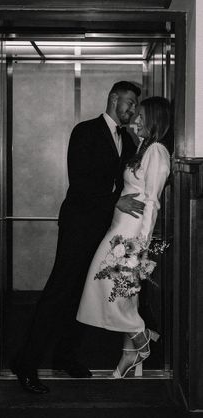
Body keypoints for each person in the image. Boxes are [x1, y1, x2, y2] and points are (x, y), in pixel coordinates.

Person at [11, 81, 144, 393]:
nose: (132, 109)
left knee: (82, 296)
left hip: (105, 230)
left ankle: (64, 355)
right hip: (78, 226)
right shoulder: (85, 131)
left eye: (135, 105)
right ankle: (25, 362)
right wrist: (116, 201)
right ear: (114, 98)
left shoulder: (126, 138)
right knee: (59, 293)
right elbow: (80, 180)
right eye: (129, 102)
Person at [77, 96, 171, 378]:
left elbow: (152, 203)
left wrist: (140, 245)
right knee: (119, 292)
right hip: (118, 229)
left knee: (110, 289)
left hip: (130, 236)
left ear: (154, 119)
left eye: (141, 115)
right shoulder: (143, 147)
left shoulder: (156, 151)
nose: (135, 119)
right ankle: (131, 351)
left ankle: (140, 338)